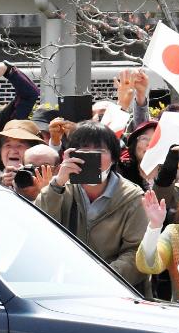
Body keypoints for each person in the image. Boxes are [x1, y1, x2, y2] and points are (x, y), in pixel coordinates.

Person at [35, 122, 150, 296]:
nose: (91, 156)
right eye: (84, 150)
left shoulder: (133, 197)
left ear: (113, 158)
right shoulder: (61, 189)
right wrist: (57, 183)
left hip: (117, 293)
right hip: (65, 291)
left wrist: (99, 278)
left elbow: (136, 253)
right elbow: (39, 228)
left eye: (100, 151)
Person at [0, 120, 44, 189]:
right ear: (0, 152)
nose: (13, 151)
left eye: (20, 145)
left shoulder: (46, 182)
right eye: (8, 145)